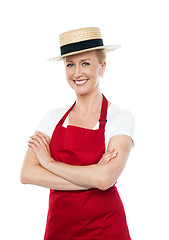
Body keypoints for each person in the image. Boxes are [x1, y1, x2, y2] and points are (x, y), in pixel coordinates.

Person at [21, 27, 135, 240]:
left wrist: (48, 163)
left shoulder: (120, 117)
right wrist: (91, 177)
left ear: (102, 67)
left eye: (86, 63)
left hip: (106, 229)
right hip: (59, 229)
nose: (77, 73)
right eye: (70, 64)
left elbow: (105, 179)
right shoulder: (52, 117)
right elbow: (27, 174)